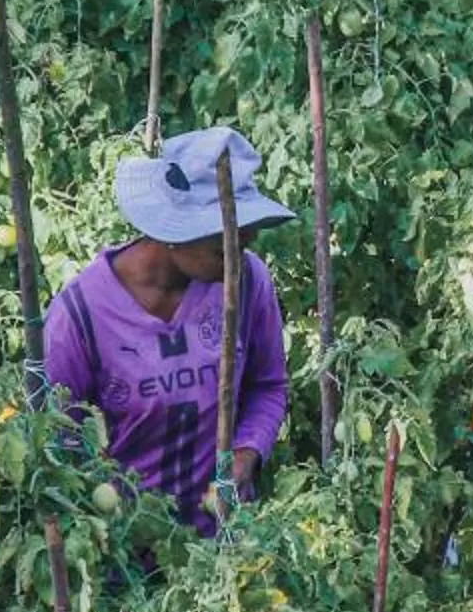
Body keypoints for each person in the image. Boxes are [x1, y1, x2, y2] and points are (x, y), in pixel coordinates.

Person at [42, 126, 292, 532]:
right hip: (121, 552)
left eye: (244, 241)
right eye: (222, 246)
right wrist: (100, 496)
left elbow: (268, 386)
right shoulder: (82, 314)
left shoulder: (247, 281)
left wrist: (246, 455)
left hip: (224, 550)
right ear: (172, 233)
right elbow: (54, 433)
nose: (237, 255)